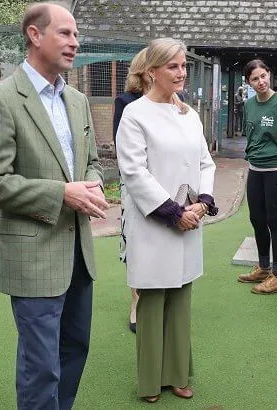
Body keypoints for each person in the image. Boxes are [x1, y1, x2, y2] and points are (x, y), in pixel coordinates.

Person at [0, 3, 109, 409]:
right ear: (34, 35)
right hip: (32, 256)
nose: (75, 43)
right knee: (41, 367)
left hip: (78, 254)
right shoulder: (0, 101)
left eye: (76, 35)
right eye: (65, 33)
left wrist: (95, 183)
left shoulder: (78, 100)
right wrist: (62, 194)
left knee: (75, 350)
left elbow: (92, 162)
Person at [115, 37, 218, 403]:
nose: (180, 73)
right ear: (151, 71)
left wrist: (203, 202)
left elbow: (206, 162)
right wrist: (174, 213)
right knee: (153, 298)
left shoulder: (189, 115)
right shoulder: (135, 114)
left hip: (189, 220)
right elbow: (134, 172)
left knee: (181, 299)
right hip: (154, 224)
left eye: (183, 66)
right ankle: (149, 381)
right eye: (172, 66)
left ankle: (177, 374)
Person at [236, 59, 277, 294]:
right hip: (256, 169)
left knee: (275, 221)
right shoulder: (250, 105)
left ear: (269, 74)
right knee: (256, 218)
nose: (261, 81)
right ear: (249, 83)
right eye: (255, 78)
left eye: (263, 76)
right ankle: (263, 267)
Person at [112, 47, 150, 334]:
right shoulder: (125, 102)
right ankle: (136, 300)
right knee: (135, 242)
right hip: (135, 184)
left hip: (168, 184)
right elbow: (121, 148)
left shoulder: (178, 101)